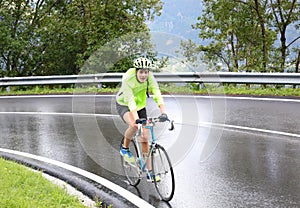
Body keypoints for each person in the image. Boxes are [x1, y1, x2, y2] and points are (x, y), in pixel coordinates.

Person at [116, 57, 168, 182]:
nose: (144, 75)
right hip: (124, 104)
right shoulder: (128, 78)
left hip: (140, 106)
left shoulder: (150, 77)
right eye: (141, 72)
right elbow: (130, 101)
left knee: (145, 137)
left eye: (146, 72)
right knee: (134, 125)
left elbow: (156, 93)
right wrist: (137, 119)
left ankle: (150, 173)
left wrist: (163, 112)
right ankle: (125, 148)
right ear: (136, 71)